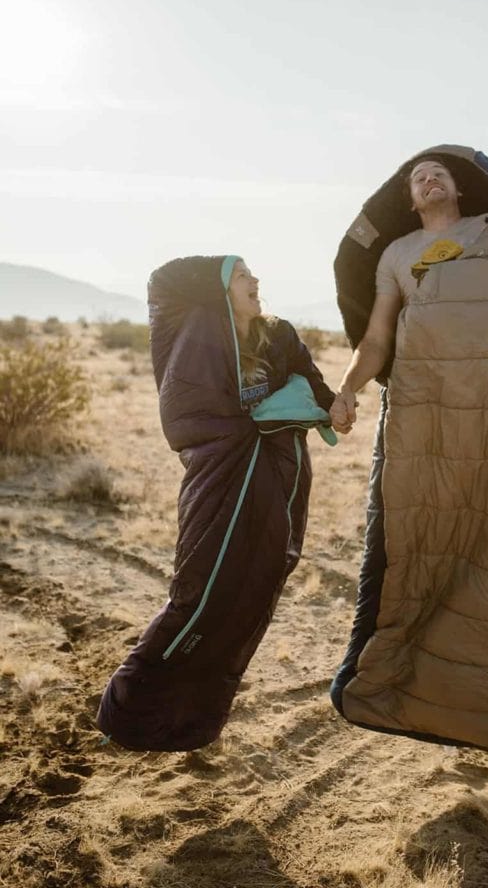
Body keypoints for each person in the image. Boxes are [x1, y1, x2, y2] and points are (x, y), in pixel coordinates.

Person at [330, 146, 488, 756]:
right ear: (409, 200)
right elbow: (378, 337)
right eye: (416, 177)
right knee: (418, 538)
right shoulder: (397, 254)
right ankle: (404, 684)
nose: (427, 177)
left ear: (460, 189)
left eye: (438, 172)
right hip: (426, 411)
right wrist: (348, 388)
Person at [97, 254, 344, 752]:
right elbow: (161, 280)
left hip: (275, 481)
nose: (256, 281)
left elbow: (316, 387)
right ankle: (127, 713)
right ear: (216, 290)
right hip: (218, 481)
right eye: (241, 275)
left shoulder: (278, 336)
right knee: (201, 592)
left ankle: (193, 723)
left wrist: (335, 404)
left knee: (249, 595)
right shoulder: (194, 335)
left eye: (255, 274)